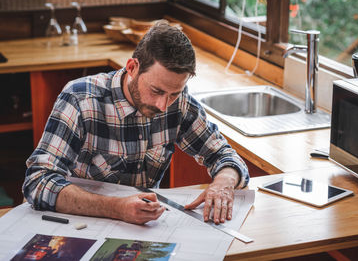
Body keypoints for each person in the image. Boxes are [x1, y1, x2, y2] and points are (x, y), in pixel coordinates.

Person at [23, 20, 249, 225]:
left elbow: (225, 156)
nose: (163, 105)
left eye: (174, 94)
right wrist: (116, 208)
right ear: (132, 68)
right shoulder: (81, 100)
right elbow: (37, 182)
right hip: (81, 225)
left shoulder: (177, 104)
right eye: (156, 91)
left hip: (145, 228)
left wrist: (223, 184)